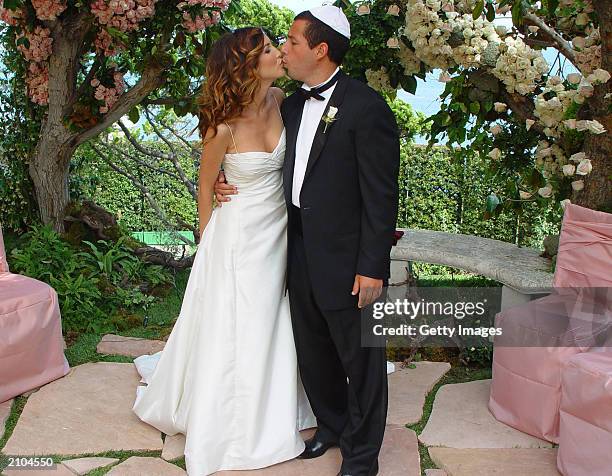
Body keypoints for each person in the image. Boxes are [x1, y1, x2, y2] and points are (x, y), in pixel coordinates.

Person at [215, 6, 400, 476]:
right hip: (293, 248)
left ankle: (362, 457)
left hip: (346, 259)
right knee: (314, 353)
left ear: (320, 49)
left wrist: (373, 266)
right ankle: (332, 428)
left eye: (293, 42)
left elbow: (382, 197)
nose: (285, 48)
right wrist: (221, 179)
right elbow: (249, 146)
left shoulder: (367, 108)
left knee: (361, 362)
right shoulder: (290, 104)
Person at [131, 27, 316, 476]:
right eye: (270, 50)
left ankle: (277, 396)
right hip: (239, 237)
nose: (279, 54)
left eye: (276, 47)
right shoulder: (223, 125)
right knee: (244, 322)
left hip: (280, 231)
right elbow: (205, 187)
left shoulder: (284, 104)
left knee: (275, 317)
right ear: (247, 66)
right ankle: (237, 420)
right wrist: (208, 244)